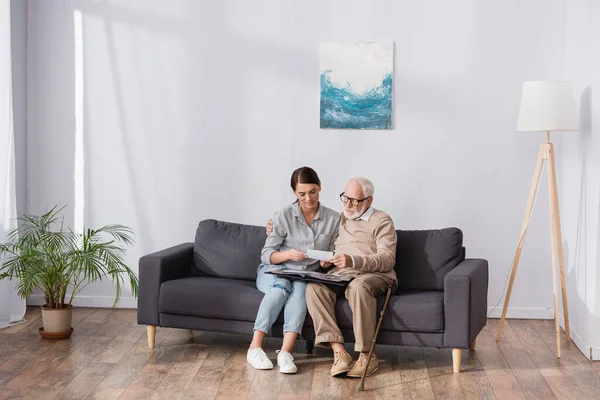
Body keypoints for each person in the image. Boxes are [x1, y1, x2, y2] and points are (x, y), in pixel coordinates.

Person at [247, 166, 340, 374]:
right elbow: (266, 254)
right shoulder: (284, 216)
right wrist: (288, 255)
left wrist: (328, 262)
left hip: (303, 276)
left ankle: (286, 353)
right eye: (302, 194)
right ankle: (254, 348)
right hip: (274, 271)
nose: (308, 198)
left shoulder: (334, 219)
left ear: (320, 187)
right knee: (282, 287)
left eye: (313, 191)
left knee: (299, 292)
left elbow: (335, 251)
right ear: (294, 193)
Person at [307, 177, 397, 378]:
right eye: (345, 198)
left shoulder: (382, 220)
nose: (348, 204)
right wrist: (329, 260)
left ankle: (367, 355)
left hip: (375, 275)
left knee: (358, 286)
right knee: (314, 287)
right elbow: (316, 228)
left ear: (369, 201)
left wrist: (352, 261)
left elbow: (387, 259)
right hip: (342, 274)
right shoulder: (341, 219)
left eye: (354, 201)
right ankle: (339, 352)